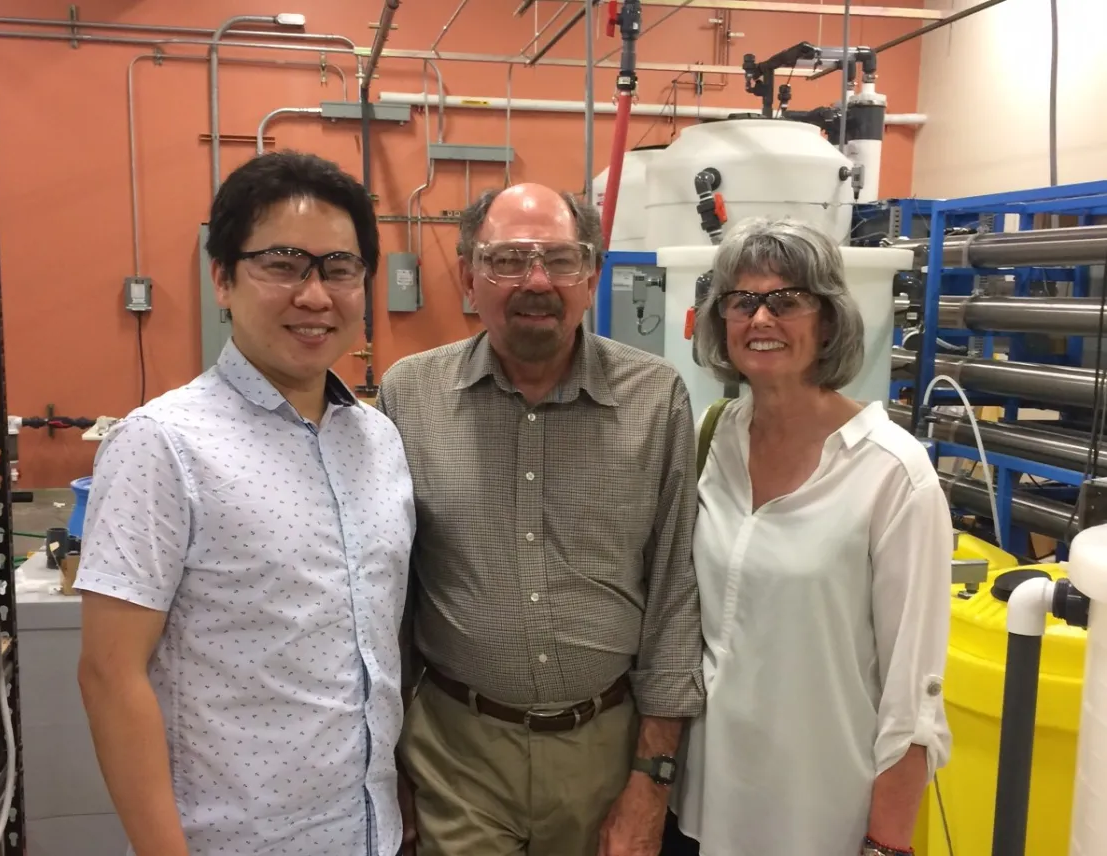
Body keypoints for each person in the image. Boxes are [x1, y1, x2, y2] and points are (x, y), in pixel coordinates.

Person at [75, 151, 415, 856]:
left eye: (339, 268)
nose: (316, 295)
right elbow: (111, 675)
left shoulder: (379, 441)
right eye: (284, 264)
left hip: (369, 835)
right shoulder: (162, 446)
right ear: (222, 278)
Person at [375, 183, 704, 856]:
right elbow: (387, 594)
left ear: (591, 276)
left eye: (559, 258)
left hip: (607, 759)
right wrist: (389, 766)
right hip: (456, 755)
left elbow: (675, 595)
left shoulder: (656, 400)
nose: (535, 280)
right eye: (507, 259)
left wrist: (652, 780)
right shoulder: (408, 396)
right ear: (468, 276)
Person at [663, 217, 953, 856]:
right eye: (742, 301)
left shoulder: (892, 474)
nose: (761, 320)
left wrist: (886, 844)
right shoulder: (716, 441)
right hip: (700, 808)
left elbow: (914, 699)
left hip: (818, 820)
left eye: (787, 300)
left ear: (829, 320)